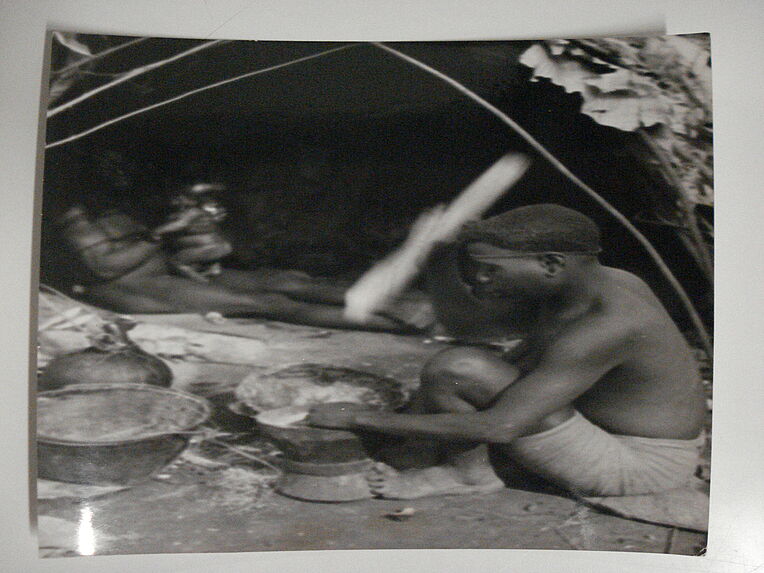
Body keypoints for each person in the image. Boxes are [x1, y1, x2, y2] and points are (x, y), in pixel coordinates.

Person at [307, 204, 707, 499]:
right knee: (459, 372)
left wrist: (359, 418)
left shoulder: (608, 326)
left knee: (456, 370)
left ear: (551, 263)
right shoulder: (598, 283)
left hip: (640, 465)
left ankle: (468, 476)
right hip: (614, 430)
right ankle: (454, 456)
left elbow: (500, 427)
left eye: (490, 269)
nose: (478, 280)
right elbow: (519, 352)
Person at [56, 205, 431, 332]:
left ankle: (400, 302)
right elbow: (104, 266)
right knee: (269, 302)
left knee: (286, 280)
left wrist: (186, 248)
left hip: (170, 270)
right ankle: (393, 320)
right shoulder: (71, 229)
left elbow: (156, 240)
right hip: (139, 287)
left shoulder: (110, 211)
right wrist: (158, 236)